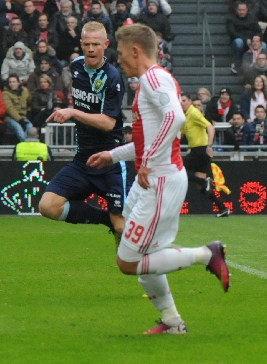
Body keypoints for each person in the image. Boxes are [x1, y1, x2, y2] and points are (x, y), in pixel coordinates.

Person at [86, 22, 229, 335]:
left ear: (136, 51)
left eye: (121, 54)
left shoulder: (153, 77)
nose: (118, 60)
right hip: (152, 178)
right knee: (138, 253)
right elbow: (146, 139)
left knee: (128, 261)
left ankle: (208, 254)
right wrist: (113, 155)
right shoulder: (152, 81)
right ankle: (173, 323)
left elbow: (175, 118)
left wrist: (147, 161)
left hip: (160, 180)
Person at [37, 22, 126, 245]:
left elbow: (107, 123)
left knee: (123, 230)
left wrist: (73, 112)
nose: (91, 49)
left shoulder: (112, 77)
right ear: (81, 44)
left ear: (105, 45)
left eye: (96, 44)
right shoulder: (76, 66)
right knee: (47, 206)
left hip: (110, 161)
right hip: (83, 160)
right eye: (86, 44)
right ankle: (105, 219)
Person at [180, 92, 230, 217]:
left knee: (176, 168)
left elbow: (210, 127)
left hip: (200, 150)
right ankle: (223, 208)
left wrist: (209, 146)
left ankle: (205, 181)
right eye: (180, 101)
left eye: (184, 100)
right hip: (197, 150)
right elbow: (182, 134)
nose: (182, 103)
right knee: (201, 187)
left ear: (190, 101)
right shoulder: (186, 115)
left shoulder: (193, 113)